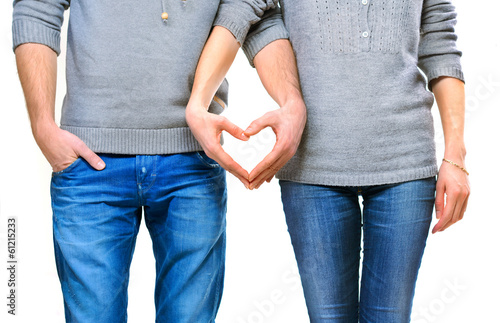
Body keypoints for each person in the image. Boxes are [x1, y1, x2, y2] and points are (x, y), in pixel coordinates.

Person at [11, 0, 305, 321]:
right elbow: (37, 5)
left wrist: (291, 102)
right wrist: (42, 125)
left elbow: (257, 14)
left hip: (192, 160)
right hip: (89, 162)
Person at [188, 0, 470, 322]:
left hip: (405, 161)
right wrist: (199, 102)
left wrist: (455, 155)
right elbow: (247, 9)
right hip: (313, 166)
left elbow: (441, 43)